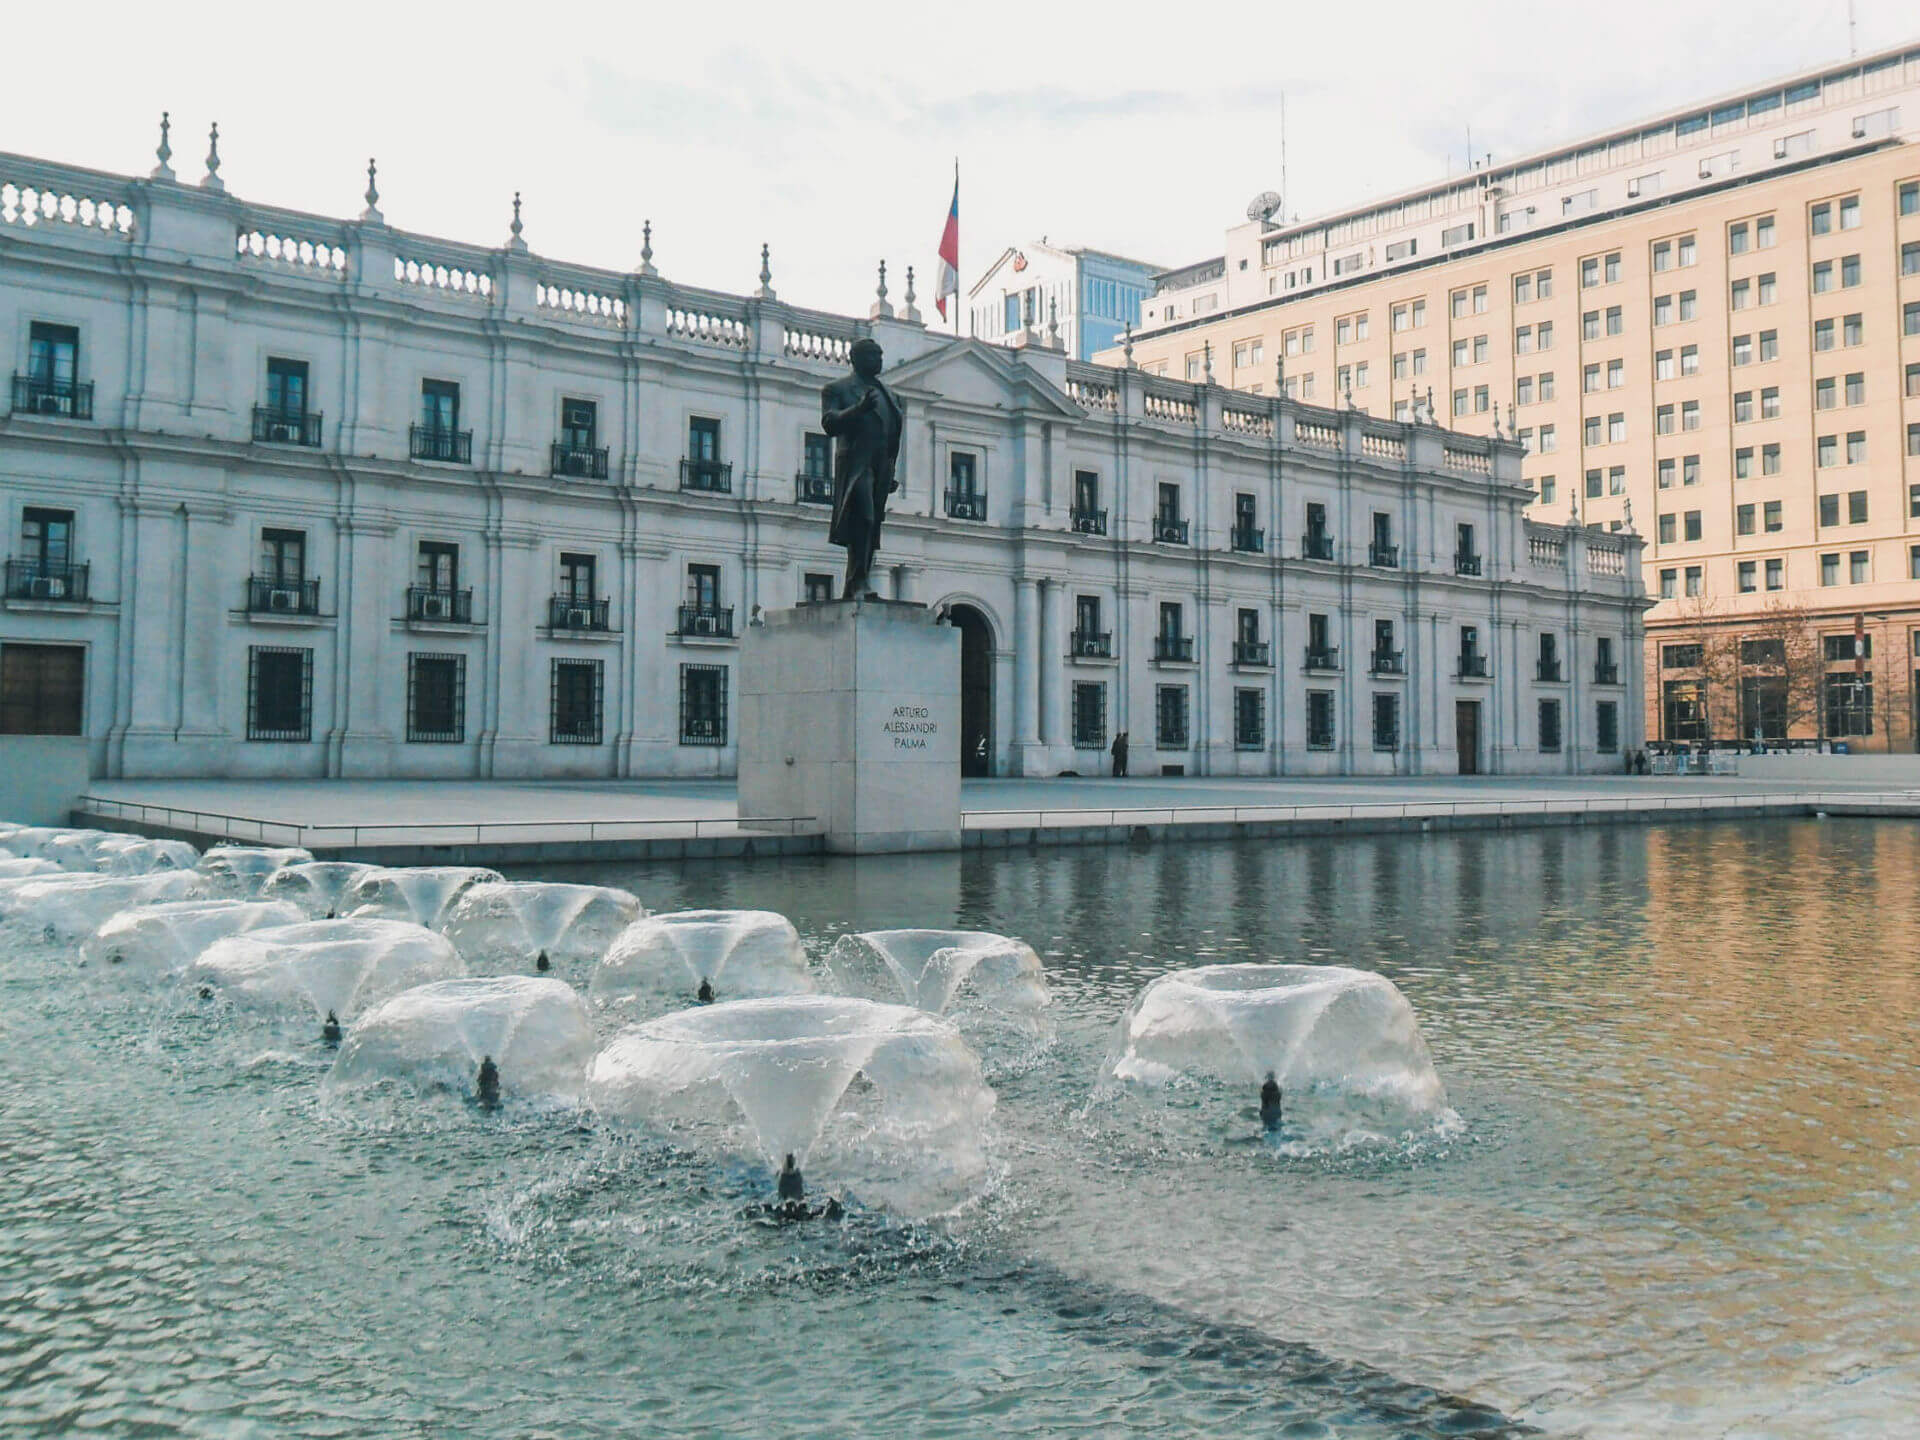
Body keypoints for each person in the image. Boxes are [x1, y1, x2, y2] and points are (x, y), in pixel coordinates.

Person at [820, 338, 903, 601]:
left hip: (880, 467)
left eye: (880, 355)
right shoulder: (838, 389)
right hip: (856, 463)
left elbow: (892, 433)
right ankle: (859, 582)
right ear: (855, 359)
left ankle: (855, 582)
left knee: (872, 525)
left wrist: (891, 470)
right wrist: (858, 409)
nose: (878, 360)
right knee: (864, 519)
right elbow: (829, 423)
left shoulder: (892, 395)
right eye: (872, 356)